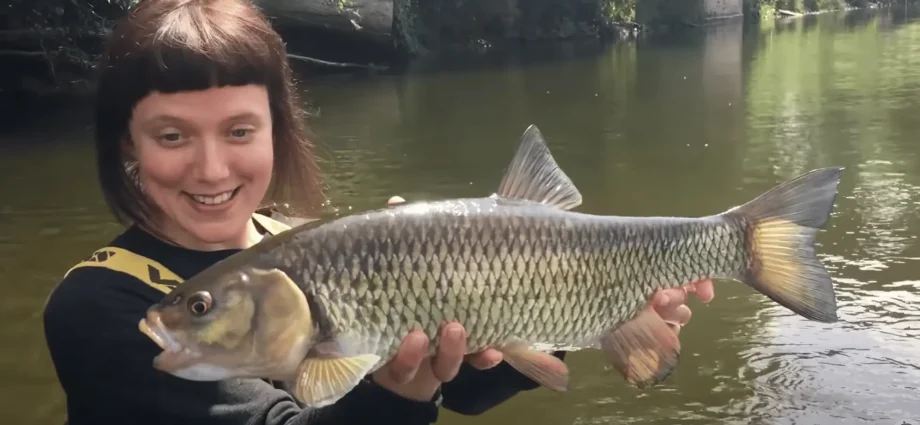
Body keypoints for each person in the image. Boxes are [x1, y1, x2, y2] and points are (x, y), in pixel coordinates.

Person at [41, 0, 715, 424]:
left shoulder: (301, 243)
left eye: (240, 131)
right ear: (127, 144)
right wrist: (400, 394)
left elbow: (462, 391)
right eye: (172, 135)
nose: (212, 168)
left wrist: (583, 306)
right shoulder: (104, 305)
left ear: (278, 131)